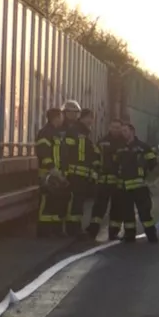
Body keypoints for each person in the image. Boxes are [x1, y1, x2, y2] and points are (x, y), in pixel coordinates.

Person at [112, 123, 159, 243]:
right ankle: (129, 235)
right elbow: (115, 164)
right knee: (127, 213)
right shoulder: (120, 148)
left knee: (144, 212)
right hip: (124, 187)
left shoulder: (143, 147)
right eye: (122, 131)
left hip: (140, 187)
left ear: (132, 131)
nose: (123, 133)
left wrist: (146, 175)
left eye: (125, 131)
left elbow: (153, 162)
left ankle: (151, 235)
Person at [59, 100, 98, 238]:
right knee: (75, 202)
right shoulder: (74, 131)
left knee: (79, 202)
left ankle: (75, 228)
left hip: (82, 175)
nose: (91, 121)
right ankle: (72, 229)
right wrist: (65, 172)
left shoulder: (84, 133)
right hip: (74, 174)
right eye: (89, 118)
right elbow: (66, 153)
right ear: (82, 118)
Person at [34, 107, 70, 237]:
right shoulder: (45, 133)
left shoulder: (56, 133)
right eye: (61, 116)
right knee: (46, 202)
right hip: (48, 173)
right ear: (56, 117)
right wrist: (52, 168)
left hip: (56, 173)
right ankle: (43, 231)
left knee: (56, 201)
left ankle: (55, 230)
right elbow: (43, 152)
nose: (63, 119)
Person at [86, 119, 123, 240]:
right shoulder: (102, 142)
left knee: (117, 208)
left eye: (118, 127)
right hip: (103, 180)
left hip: (118, 182)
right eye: (113, 127)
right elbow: (94, 157)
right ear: (109, 127)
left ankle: (113, 232)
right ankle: (93, 231)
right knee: (99, 207)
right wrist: (97, 169)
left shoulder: (125, 143)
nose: (115, 130)